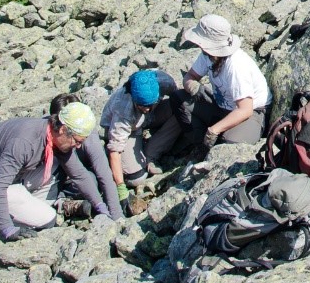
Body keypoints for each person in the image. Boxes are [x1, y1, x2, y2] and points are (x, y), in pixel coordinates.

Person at [0, 102, 98, 241]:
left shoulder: (49, 133)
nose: (78, 147)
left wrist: (101, 207)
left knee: (57, 170)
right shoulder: (25, 142)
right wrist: (8, 229)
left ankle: (19, 211)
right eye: (78, 141)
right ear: (63, 130)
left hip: (11, 180)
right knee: (48, 219)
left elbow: (79, 175)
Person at [173, 14, 271, 147]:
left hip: (252, 112)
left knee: (229, 142)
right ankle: (200, 144)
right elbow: (190, 76)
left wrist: (214, 130)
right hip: (222, 106)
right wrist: (192, 86)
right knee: (178, 98)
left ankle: (216, 142)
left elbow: (245, 110)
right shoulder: (207, 55)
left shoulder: (236, 65)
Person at [101, 70, 181, 207]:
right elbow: (115, 151)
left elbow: (176, 94)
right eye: (143, 107)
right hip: (129, 130)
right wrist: (121, 189)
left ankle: (151, 154)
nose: (147, 109)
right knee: (136, 178)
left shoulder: (163, 81)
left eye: (150, 105)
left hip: (147, 120)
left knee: (181, 110)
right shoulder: (123, 109)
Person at [49, 93, 124, 221]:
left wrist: (116, 215)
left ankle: (65, 201)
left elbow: (104, 174)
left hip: (75, 179)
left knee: (91, 180)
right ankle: (60, 202)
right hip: (52, 178)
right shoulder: (45, 130)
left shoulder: (88, 137)